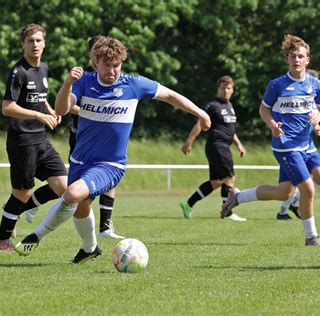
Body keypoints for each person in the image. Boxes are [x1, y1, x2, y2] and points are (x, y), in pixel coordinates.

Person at [15, 36, 211, 263]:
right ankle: (89, 248)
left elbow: (170, 95)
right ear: (96, 61)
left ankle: (36, 235)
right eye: (106, 65)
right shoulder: (85, 82)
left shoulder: (132, 84)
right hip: (80, 161)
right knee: (82, 207)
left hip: (111, 165)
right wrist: (68, 83)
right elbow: (61, 109)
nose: (112, 70)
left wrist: (201, 113)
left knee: (72, 194)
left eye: (116, 65)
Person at [221, 34, 320, 246]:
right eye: (292, 56)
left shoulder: (315, 84)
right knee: (307, 188)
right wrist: (273, 125)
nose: (296, 60)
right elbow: (264, 109)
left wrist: (319, 117)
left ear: (308, 59)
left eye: (300, 56)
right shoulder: (277, 84)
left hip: (306, 146)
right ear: (287, 59)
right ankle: (311, 237)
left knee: (283, 193)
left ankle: (238, 196)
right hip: (285, 146)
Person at [0, 23, 67, 251]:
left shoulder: (43, 68)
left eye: (38, 40)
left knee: (63, 186)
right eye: (30, 41)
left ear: (44, 43)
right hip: (22, 140)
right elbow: (7, 107)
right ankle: (2, 240)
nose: (35, 45)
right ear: (22, 44)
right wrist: (38, 114)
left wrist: (50, 110)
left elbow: (39, 95)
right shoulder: (18, 71)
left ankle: (15, 207)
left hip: (41, 140)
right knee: (23, 192)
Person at [68, 35, 124, 239]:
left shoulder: (114, 78)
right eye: (97, 53)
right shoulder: (83, 78)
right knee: (79, 193)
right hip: (81, 138)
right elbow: (66, 106)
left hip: (106, 142)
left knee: (109, 180)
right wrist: (89, 111)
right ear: (93, 56)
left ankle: (105, 226)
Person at [180, 75, 247, 221]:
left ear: (232, 90)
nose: (225, 90)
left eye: (228, 88)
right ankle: (227, 212)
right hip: (217, 145)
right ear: (218, 89)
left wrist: (239, 144)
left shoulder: (230, 106)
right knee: (229, 178)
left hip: (223, 146)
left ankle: (188, 203)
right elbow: (199, 124)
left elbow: (230, 129)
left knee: (216, 182)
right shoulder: (213, 106)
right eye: (223, 87)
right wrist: (188, 142)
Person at [276, 69, 320, 221]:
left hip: (308, 145)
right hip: (292, 145)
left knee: (319, 177)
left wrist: (318, 127)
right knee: (297, 186)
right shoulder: (290, 93)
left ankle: (295, 204)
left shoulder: (315, 103)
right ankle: (284, 210)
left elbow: (317, 121)